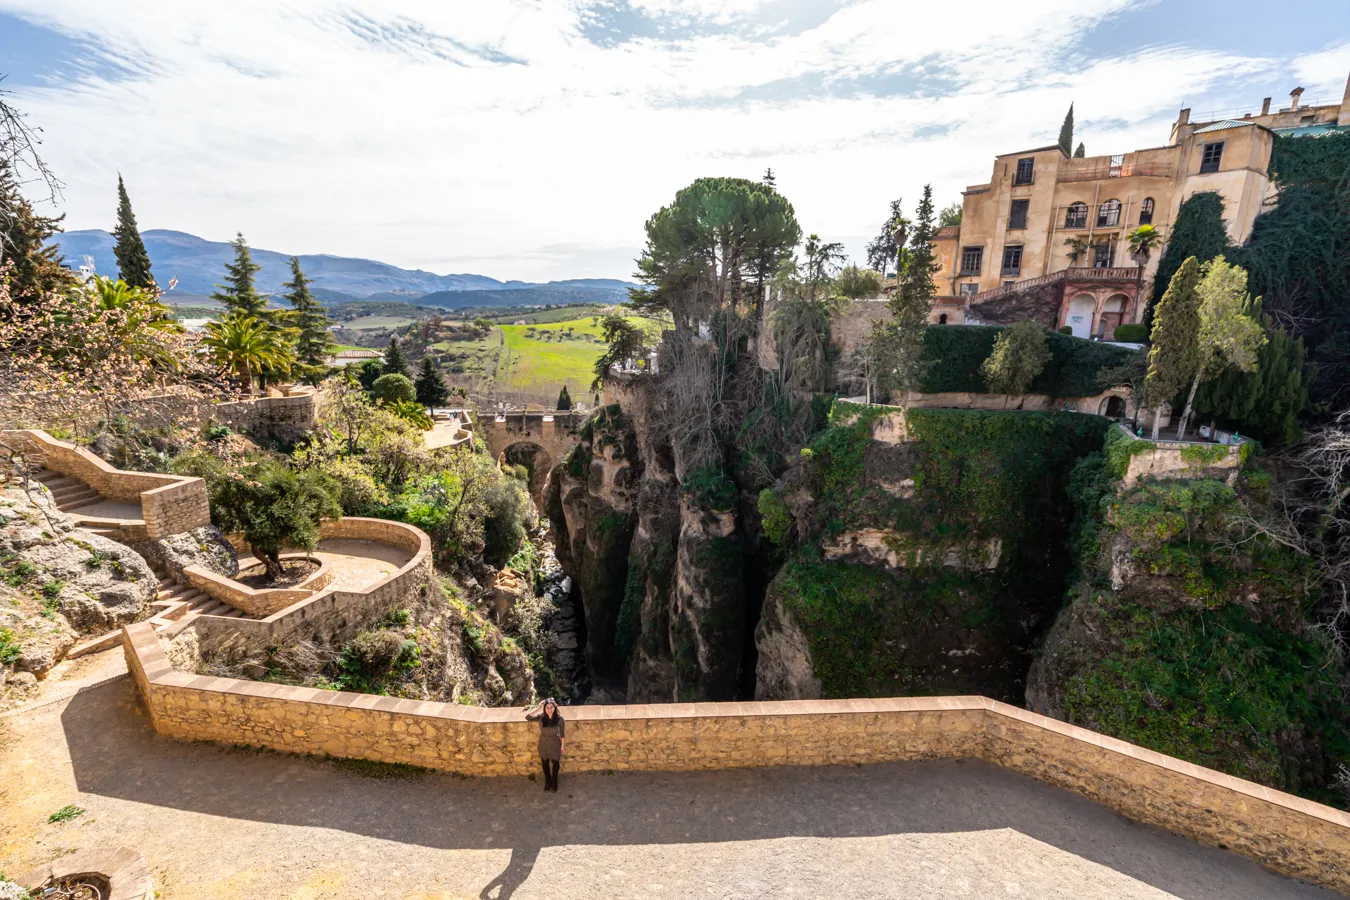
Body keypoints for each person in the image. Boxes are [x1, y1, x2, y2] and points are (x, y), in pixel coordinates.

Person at [525, 697, 565, 792]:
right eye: (547, 707)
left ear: (554, 708)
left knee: (556, 764)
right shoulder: (541, 717)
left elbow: (562, 733)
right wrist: (538, 708)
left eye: (551, 707)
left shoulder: (560, 719)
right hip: (543, 743)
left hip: (555, 743)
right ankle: (548, 781)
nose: (549, 709)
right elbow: (527, 717)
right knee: (545, 763)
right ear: (544, 708)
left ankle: (554, 781)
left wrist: (562, 746)